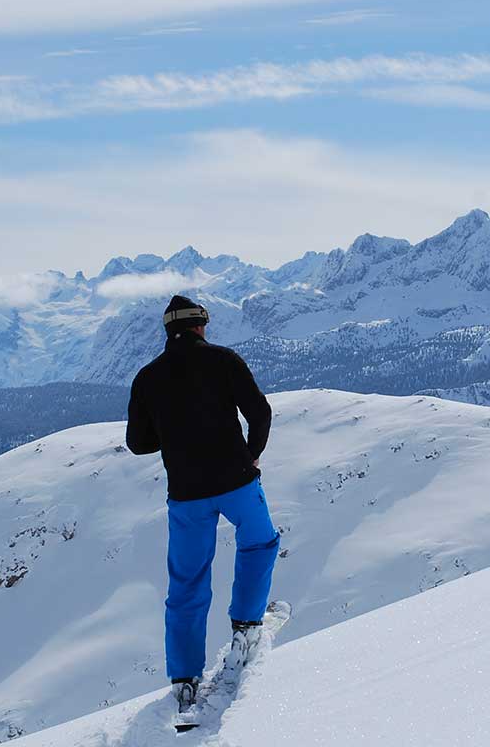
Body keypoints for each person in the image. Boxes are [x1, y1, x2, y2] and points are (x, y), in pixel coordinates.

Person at [126, 294, 279, 715]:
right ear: (200, 325)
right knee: (260, 541)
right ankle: (246, 624)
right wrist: (251, 454)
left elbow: (138, 443)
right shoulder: (224, 361)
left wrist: (173, 434)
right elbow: (260, 412)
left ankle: (185, 678)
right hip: (236, 479)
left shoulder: (147, 377)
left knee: (188, 581)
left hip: (187, 493)